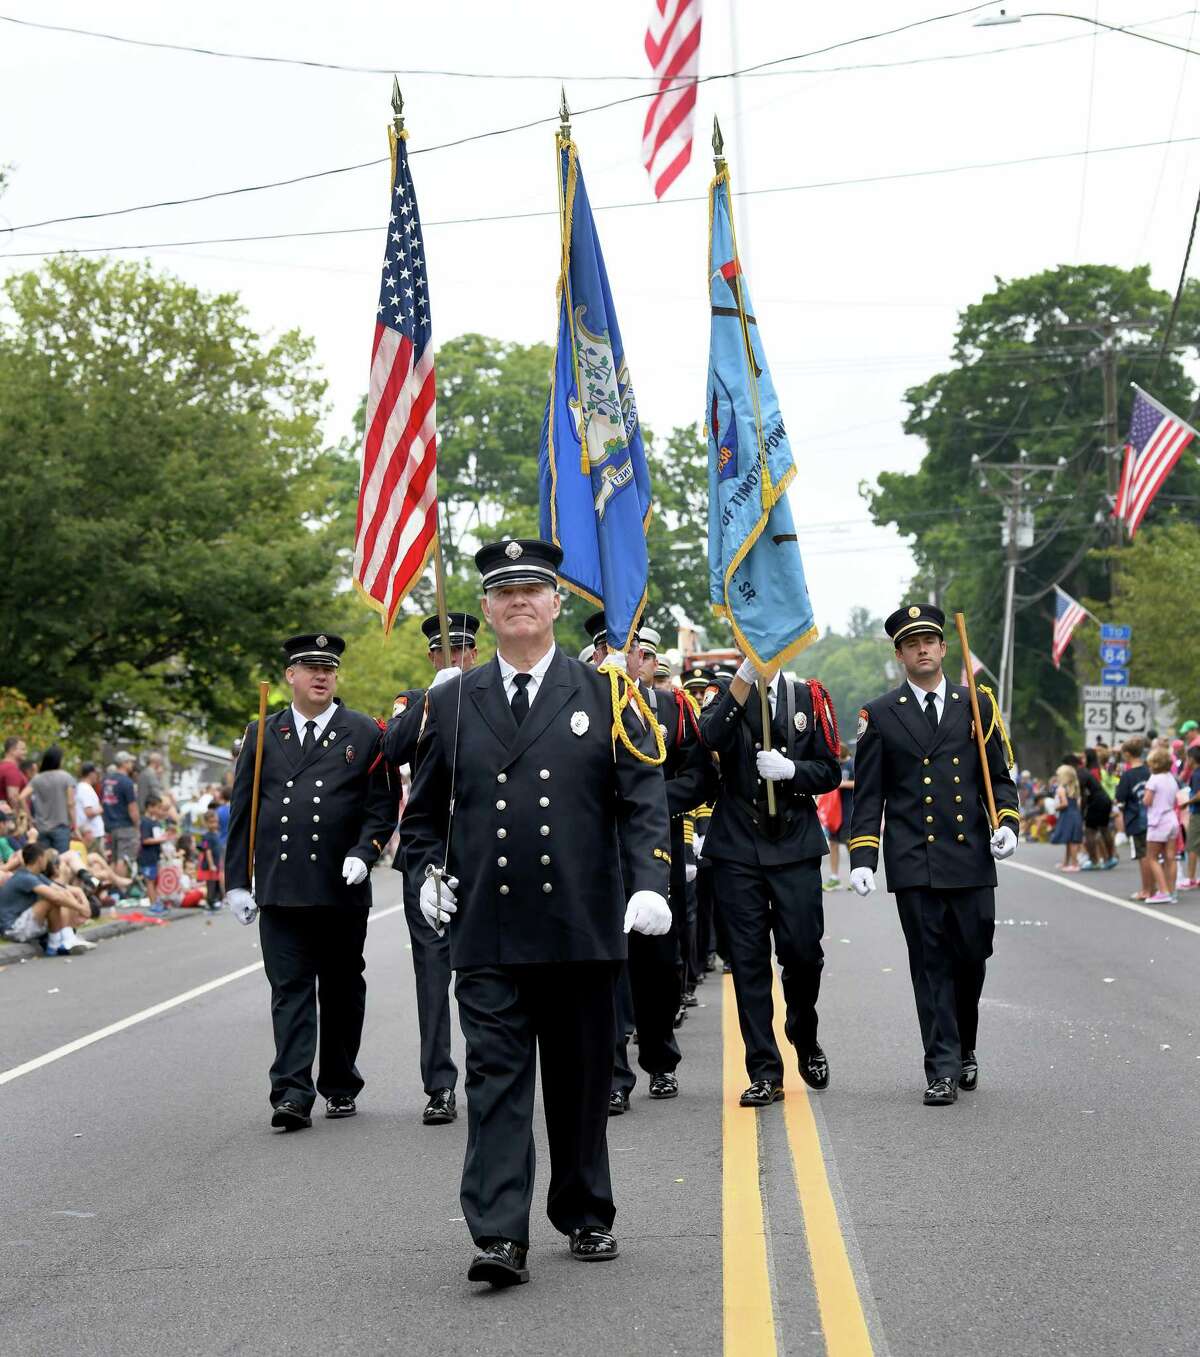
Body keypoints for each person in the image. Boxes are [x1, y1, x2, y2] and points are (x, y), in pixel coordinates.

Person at [402, 539, 671, 1288]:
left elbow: (643, 795)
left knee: (582, 1082)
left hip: (581, 923)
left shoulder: (606, 693)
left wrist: (649, 880)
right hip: (487, 927)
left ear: (557, 603)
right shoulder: (453, 700)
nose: (519, 600)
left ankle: (586, 1210)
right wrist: (425, 872)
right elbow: (423, 814)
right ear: (486, 610)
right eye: (505, 591)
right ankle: (497, 1232)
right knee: (494, 1084)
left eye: (533, 589)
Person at [224, 632, 398, 1132]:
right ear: (290, 677)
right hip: (281, 884)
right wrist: (237, 880)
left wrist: (366, 852)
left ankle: (340, 1081)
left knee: (342, 988)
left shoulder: (363, 731)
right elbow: (244, 812)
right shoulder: (263, 733)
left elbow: (381, 804)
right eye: (310, 667)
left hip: (340, 885)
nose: (321, 675)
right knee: (290, 988)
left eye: (329, 668)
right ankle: (292, 1092)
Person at [847, 604, 1019, 1106]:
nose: (922, 649)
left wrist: (1006, 822)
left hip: (969, 858)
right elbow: (870, 794)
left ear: (944, 648)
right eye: (911, 643)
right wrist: (863, 856)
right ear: (899, 654)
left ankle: (964, 1045)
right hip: (914, 860)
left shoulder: (976, 705)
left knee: (972, 957)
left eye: (930, 641)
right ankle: (940, 1066)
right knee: (930, 965)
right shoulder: (879, 714)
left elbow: (998, 778)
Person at [698, 648, 842, 1107]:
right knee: (748, 961)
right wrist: (742, 679)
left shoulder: (807, 697)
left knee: (803, 952)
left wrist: (794, 771)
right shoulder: (725, 692)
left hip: (795, 843)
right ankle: (764, 1069)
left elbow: (831, 771)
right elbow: (711, 735)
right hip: (738, 845)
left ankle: (803, 1029)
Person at [611, 624, 714, 1112]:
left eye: (644, 653)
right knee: (605, 965)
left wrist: (650, 798)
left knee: (658, 965)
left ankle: (660, 1060)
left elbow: (701, 777)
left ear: (652, 663)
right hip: (599, 852)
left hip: (657, 848)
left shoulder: (674, 708)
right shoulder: (583, 700)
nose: (635, 660)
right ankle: (613, 1073)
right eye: (621, 651)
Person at [384, 610, 481, 1126]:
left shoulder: (488, 693)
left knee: (486, 969)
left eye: (464, 649)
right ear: (433, 658)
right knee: (431, 973)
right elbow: (391, 749)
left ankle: (489, 1070)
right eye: (447, 651)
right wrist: (428, 700)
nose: (457, 658)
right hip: (429, 855)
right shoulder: (413, 701)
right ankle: (439, 1084)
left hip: (483, 851)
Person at [0, 841, 95, 954]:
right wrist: (80, 908)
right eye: (45, 857)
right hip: (12, 929)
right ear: (40, 859)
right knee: (49, 901)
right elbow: (55, 897)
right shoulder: (24, 877)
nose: (47, 861)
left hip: (24, 922)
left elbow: (61, 890)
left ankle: (61, 942)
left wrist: (75, 896)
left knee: (62, 896)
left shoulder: (36, 875)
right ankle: (62, 941)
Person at [1114, 740, 1153, 901]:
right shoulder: (1149, 771)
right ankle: (1155, 887)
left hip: (1136, 818)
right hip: (1152, 817)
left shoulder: (1128, 775)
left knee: (1142, 855)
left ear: (1128, 754)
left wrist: (1119, 781)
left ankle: (1146, 890)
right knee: (1153, 855)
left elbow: (1120, 798)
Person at [1143, 747, 1180, 904]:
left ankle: (1163, 891)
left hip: (1158, 821)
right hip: (1172, 818)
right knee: (1170, 857)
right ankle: (1172, 891)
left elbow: (1147, 801)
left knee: (1152, 857)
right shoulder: (1171, 778)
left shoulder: (1154, 779)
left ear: (1155, 764)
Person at [22, 747, 76, 853]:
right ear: (58, 760)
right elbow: (70, 803)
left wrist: (30, 819)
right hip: (61, 827)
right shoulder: (66, 777)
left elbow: (21, 797)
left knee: (45, 861)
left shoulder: (37, 779)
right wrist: (74, 824)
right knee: (62, 860)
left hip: (42, 827)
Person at [101, 753, 141, 875]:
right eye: (129, 762)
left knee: (113, 859)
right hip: (125, 825)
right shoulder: (127, 782)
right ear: (124, 764)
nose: (131, 765)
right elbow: (132, 808)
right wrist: (137, 825)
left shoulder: (106, 780)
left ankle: (112, 888)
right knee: (123, 859)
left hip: (110, 825)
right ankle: (120, 890)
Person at [823, 743, 855, 891]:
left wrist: (842, 784)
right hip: (835, 812)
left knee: (850, 844)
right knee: (833, 843)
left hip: (849, 811)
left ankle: (854, 877)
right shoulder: (837, 765)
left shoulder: (852, 764)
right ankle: (834, 877)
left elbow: (861, 783)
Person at [1080, 748, 1116, 870]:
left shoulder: (1091, 772)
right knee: (1104, 829)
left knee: (1090, 830)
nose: (1082, 760)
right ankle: (1109, 857)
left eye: (1084, 757)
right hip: (1106, 800)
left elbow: (1088, 791)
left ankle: (1095, 859)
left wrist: (1082, 808)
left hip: (1097, 801)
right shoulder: (1097, 769)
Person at [138, 795, 172, 909]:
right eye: (158, 808)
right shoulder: (145, 822)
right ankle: (153, 904)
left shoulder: (155, 822)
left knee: (155, 880)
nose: (159, 811)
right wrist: (161, 839)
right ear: (150, 807)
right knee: (150, 881)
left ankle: (156, 902)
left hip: (155, 856)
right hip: (147, 856)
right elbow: (145, 840)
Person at [1051, 765, 1084, 871]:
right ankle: (1066, 863)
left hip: (1067, 815)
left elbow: (1064, 803)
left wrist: (1056, 807)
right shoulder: (1075, 788)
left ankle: (1074, 864)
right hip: (1076, 814)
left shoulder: (1061, 789)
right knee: (1071, 841)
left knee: (1071, 841)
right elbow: (1078, 803)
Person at [1180, 745, 1200, 891]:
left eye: (1187, 758)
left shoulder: (1196, 774)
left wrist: (1186, 802)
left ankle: (1191, 878)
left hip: (1198, 813)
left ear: (1192, 759)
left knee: (1192, 846)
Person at [0, 737, 30, 828]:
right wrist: (22, 822)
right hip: (11, 821)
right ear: (12, 750)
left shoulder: (2, 766)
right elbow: (13, 797)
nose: (26, 752)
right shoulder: (11, 769)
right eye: (23, 749)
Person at [197, 807, 224, 908]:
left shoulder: (216, 834)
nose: (214, 824)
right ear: (206, 823)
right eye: (211, 822)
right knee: (211, 884)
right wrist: (211, 864)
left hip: (216, 864)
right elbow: (207, 851)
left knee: (217, 882)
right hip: (209, 865)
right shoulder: (206, 836)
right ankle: (210, 901)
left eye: (216, 822)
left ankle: (217, 899)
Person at [75, 763, 105, 850]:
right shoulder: (85, 788)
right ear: (91, 774)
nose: (97, 776)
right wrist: (101, 809)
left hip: (90, 831)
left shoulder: (81, 787)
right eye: (96, 773)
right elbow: (89, 812)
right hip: (92, 832)